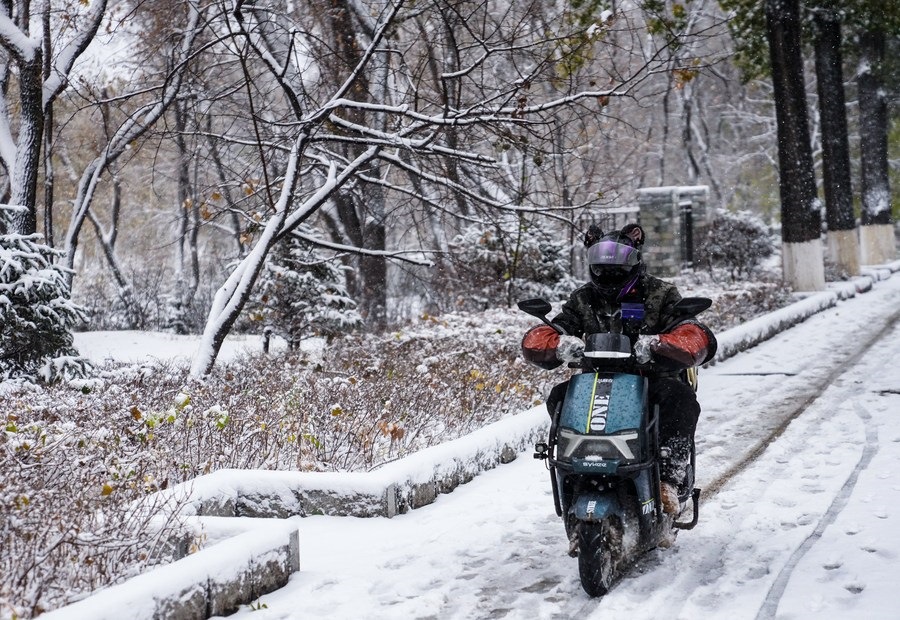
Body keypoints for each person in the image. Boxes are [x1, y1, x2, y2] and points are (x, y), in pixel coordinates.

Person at [521, 223, 717, 515]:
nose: (609, 272)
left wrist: (658, 345)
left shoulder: (661, 293)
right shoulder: (582, 299)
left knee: (680, 398)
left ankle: (669, 478)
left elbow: (692, 333)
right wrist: (559, 343)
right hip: (597, 383)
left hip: (651, 381)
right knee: (559, 395)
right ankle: (573, 466)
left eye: (617, 265)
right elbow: (553, 330)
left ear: (635, 260)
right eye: (600, 266)